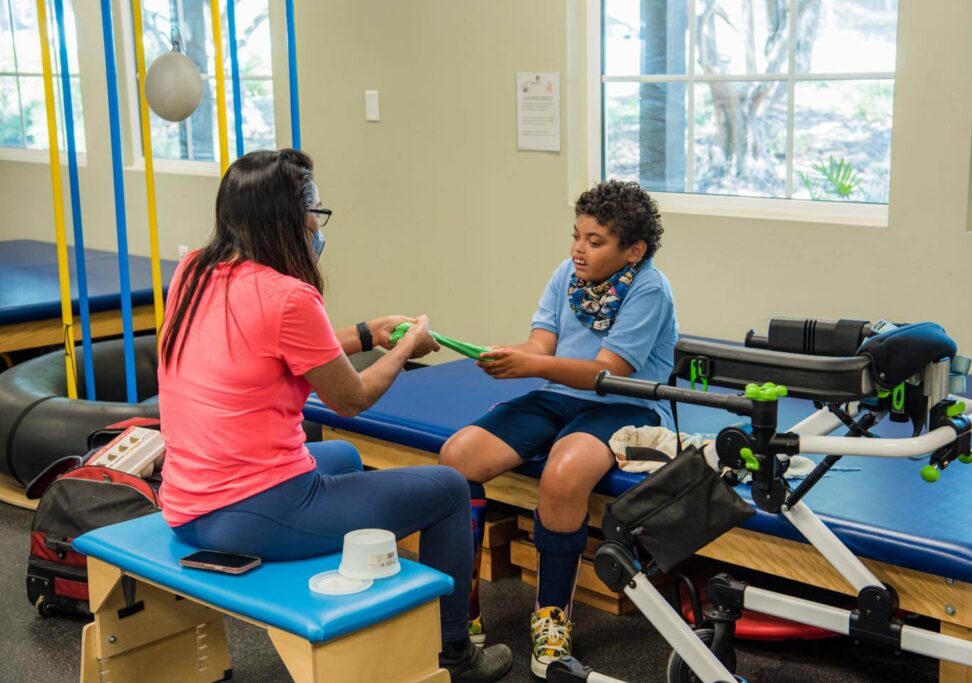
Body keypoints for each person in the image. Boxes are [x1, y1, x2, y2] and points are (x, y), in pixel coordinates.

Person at [157, 149, 512, 682]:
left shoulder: (194, 271)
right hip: (247, 512)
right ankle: (454, 653)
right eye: (315, 211)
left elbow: (283, 349)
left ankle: (361, 615)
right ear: (287, 217)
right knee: (449, 489)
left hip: (186, 501)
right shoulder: (288, 296)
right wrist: (405, 348)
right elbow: (352, 398)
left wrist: (369, 333)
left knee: (342, 456)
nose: (317, 225)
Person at [439, 180, 678, 678]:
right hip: (558, 396)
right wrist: (507, 356)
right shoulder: (565, 275)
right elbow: (540, 346)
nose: (578, 249)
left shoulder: (649, 288)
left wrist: (531, 366)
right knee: (458, 456)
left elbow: (608, 371)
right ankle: (462, 610)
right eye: (576, 236)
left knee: (564, 474)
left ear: (633, 250)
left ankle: (552, 619)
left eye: (595, 241)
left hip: (625, 404)